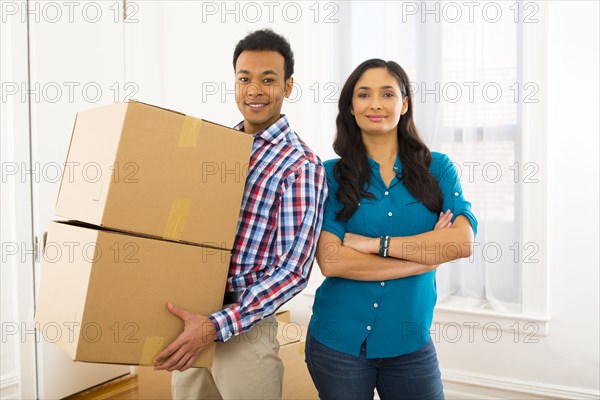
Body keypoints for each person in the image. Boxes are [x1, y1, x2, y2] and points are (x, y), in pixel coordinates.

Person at [153, 29, 328, 399]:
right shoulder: (214, 149)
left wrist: (216, 325)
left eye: (268, 80)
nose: (254, 90)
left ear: (289, 86)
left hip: (243, 327)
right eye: (244, 78)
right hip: (191, 316)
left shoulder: (300, 165)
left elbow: (294, 272)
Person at [305, 59, 478, 400]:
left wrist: (374, 245)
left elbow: (460, 242)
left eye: (387, 93)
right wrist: (424, 256)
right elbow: (331, 261)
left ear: (405, 103)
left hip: (409, 343)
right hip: (338, 343)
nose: (376, 104)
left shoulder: (437, 169)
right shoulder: (331, 175)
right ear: (351, 108)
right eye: (364, 94)